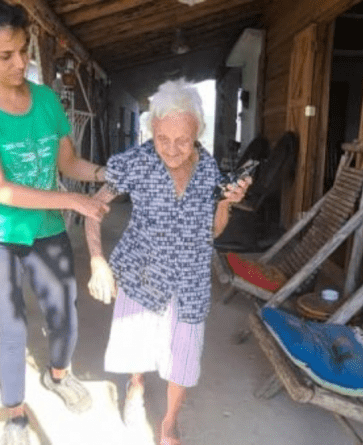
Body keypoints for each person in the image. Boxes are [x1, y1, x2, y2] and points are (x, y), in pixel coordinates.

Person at [0, 0, 109, 443]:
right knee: (13, 326)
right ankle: (15, 413)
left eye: (25, 51)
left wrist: (106, 174)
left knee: (65, 313)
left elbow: (69, 162)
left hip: (43, 227)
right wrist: (72, 203)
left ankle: (58, 375)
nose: (20, 63)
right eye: (6, 55)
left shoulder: (44, 100)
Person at [85, 79, 251, 445]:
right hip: (141, 272)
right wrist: (98, 260)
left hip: (190, 279)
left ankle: (168, 423)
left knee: (184, 359)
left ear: (198, 134)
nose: (173, 150)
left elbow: (213, 232)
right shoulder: (134, 163)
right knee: (137, 346)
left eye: (183, 141)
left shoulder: (210, 172)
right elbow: (92, 209)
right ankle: (136, 386)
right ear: (152, 129)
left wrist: (225, 202)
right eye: (163, 139)